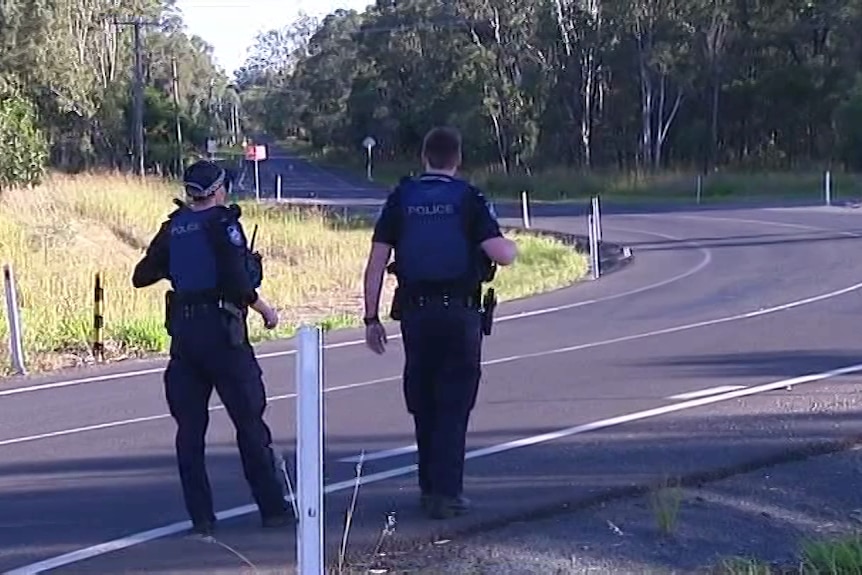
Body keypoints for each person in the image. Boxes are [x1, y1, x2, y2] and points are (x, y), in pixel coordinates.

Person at [361, 127, 518, 519]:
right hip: (459, 313)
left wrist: (370, 317)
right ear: (457, 159)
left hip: (415, 313)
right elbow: (501, 255)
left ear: (424, 157)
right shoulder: (469, 199)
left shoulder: (401, 198)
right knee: (455, 401)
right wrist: (511, 245)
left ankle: (428, 486)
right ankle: (446, 494)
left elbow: (377, 262)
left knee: (424, 399)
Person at [131, 160, 289, 535]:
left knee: (189, 432)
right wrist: (265, 309)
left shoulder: (173, 227)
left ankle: (201, 518)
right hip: (223, 334)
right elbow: (237, 282)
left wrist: (180, 266)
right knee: (249, 423)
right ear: (218, 191)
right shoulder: (223, 223)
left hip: (184, 336)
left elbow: (142, 276)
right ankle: (273, 509)